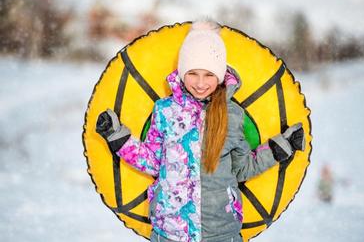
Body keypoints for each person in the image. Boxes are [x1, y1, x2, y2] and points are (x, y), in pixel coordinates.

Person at [95, 20, 305, 242]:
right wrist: (116, 136)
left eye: (209, 74)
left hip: (221, 231)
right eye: (193, 73)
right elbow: (152, 160)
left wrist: (282, 146)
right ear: (182, 72)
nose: (200, 83)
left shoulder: (232, 115)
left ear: (220, 75)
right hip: (170, 231)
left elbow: (243, 168)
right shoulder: (165, 111)